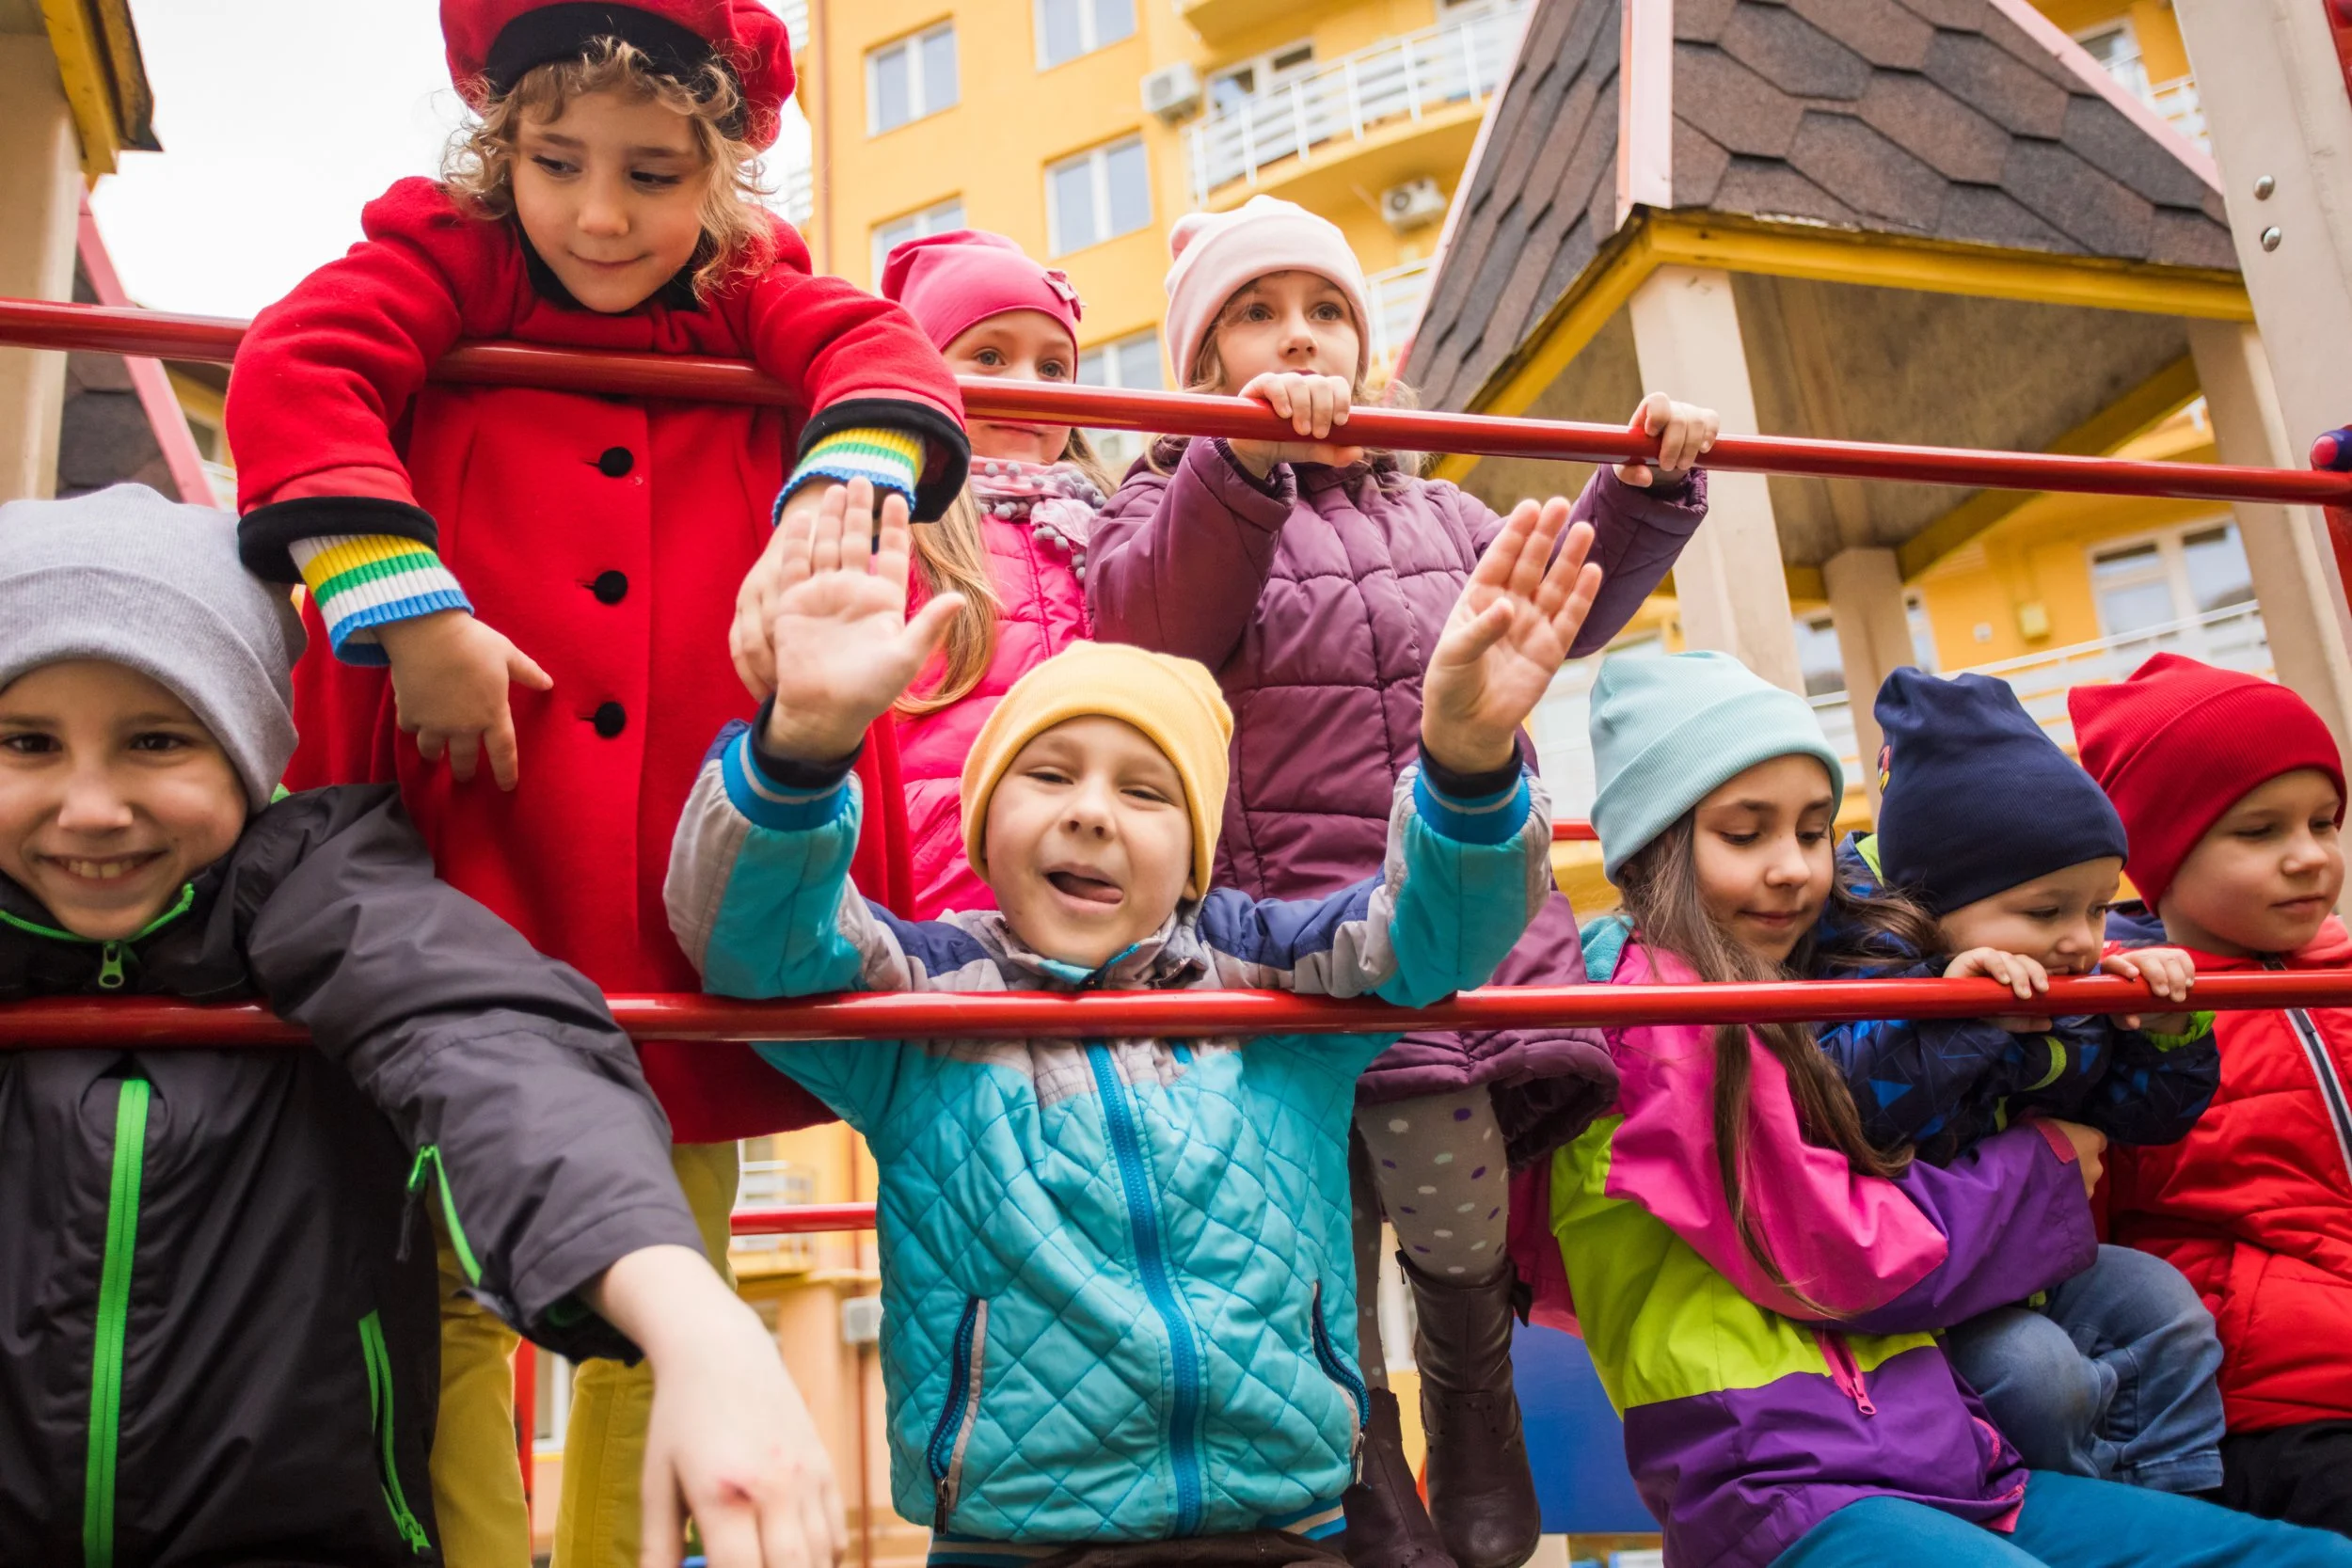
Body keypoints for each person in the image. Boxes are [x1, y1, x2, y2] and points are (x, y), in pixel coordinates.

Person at [221, 3, 967, 1561]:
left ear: (724, 173)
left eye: (654, 171)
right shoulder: (455, 261)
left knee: (663, 1263)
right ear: (501, 149)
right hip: (469, 842)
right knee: (438, 1280)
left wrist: (843, 473)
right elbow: (303, 366)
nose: (603, 214)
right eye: (558, 162)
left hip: (660, 899)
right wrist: (407, 608)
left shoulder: (745, 289)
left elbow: (874, 348)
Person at [664, 479, 1593, 1565]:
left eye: (1147, 792)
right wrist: (801, 746)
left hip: (1286, 1522)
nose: (1092, 809)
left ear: (1195, 856)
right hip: (1017, 1539)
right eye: (1047, 773)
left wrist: (1469, 758)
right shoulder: (927, 996)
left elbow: (1437, 931)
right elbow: (755, 944)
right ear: (983, 825)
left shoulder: (1271, 981)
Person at [0, 485, 841, 1568]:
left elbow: (490, 1040)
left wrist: (691, 1314)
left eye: (156, 738)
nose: (93, 805)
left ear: (250, 756)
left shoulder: (318, 892)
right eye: (26, 742)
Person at [1086, 192, 1716, 1568]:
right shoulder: (1171, 495)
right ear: (1201, 373)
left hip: (1449, 926)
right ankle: (1366, 1449)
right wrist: (1237, 467)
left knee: (1454, 1189)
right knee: (1317, 1230)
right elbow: (1152, 625)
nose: (1298, 340)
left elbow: (1555, 599)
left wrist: (1644, 491)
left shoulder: (1437, 501)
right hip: (1292, 937)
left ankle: (1474, 1394)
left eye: (1326, 314)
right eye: (1256, 318)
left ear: (1372, 358)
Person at [1500, 648, 2352, 1568]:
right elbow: (1843, 1254)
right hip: (1783, 1485)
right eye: (1746, 834)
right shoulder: (1656, 1018)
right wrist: (2045, 1161)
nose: (1793, 868)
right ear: (1655, 844)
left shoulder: (1794, 994)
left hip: (1945, 1459)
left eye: (1813, 830)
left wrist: (2146, 1025)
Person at [1808, 668, 2225, 1495]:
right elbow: (1849, 1102)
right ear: (1935, 901)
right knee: (2036, 1374)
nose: (2080, 939)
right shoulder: (1861, 969)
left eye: (2099, 906)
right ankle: (2083, 1516)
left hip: (2029, 1252)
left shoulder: (2064, 974)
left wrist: (2164, 1026)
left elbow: (2139, 1116)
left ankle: (2179, 1506)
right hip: (1925, 1284)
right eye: (2047, 911)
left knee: (2165, 1304)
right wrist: (1960, 1012)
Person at [2072, 653, 2352, 1537]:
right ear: (2160, 854)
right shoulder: (2130, 1016)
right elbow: (2088, 1226)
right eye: (2261, 831)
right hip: (2280, 1398)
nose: (2309, 856)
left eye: (2325, 821)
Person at [876, 229, 1112, 919]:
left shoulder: (1111, 528)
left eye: (1052, 368)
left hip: (1096, 898)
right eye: (988, 356)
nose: (1025, 387)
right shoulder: (899, 523)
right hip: (940, 909)